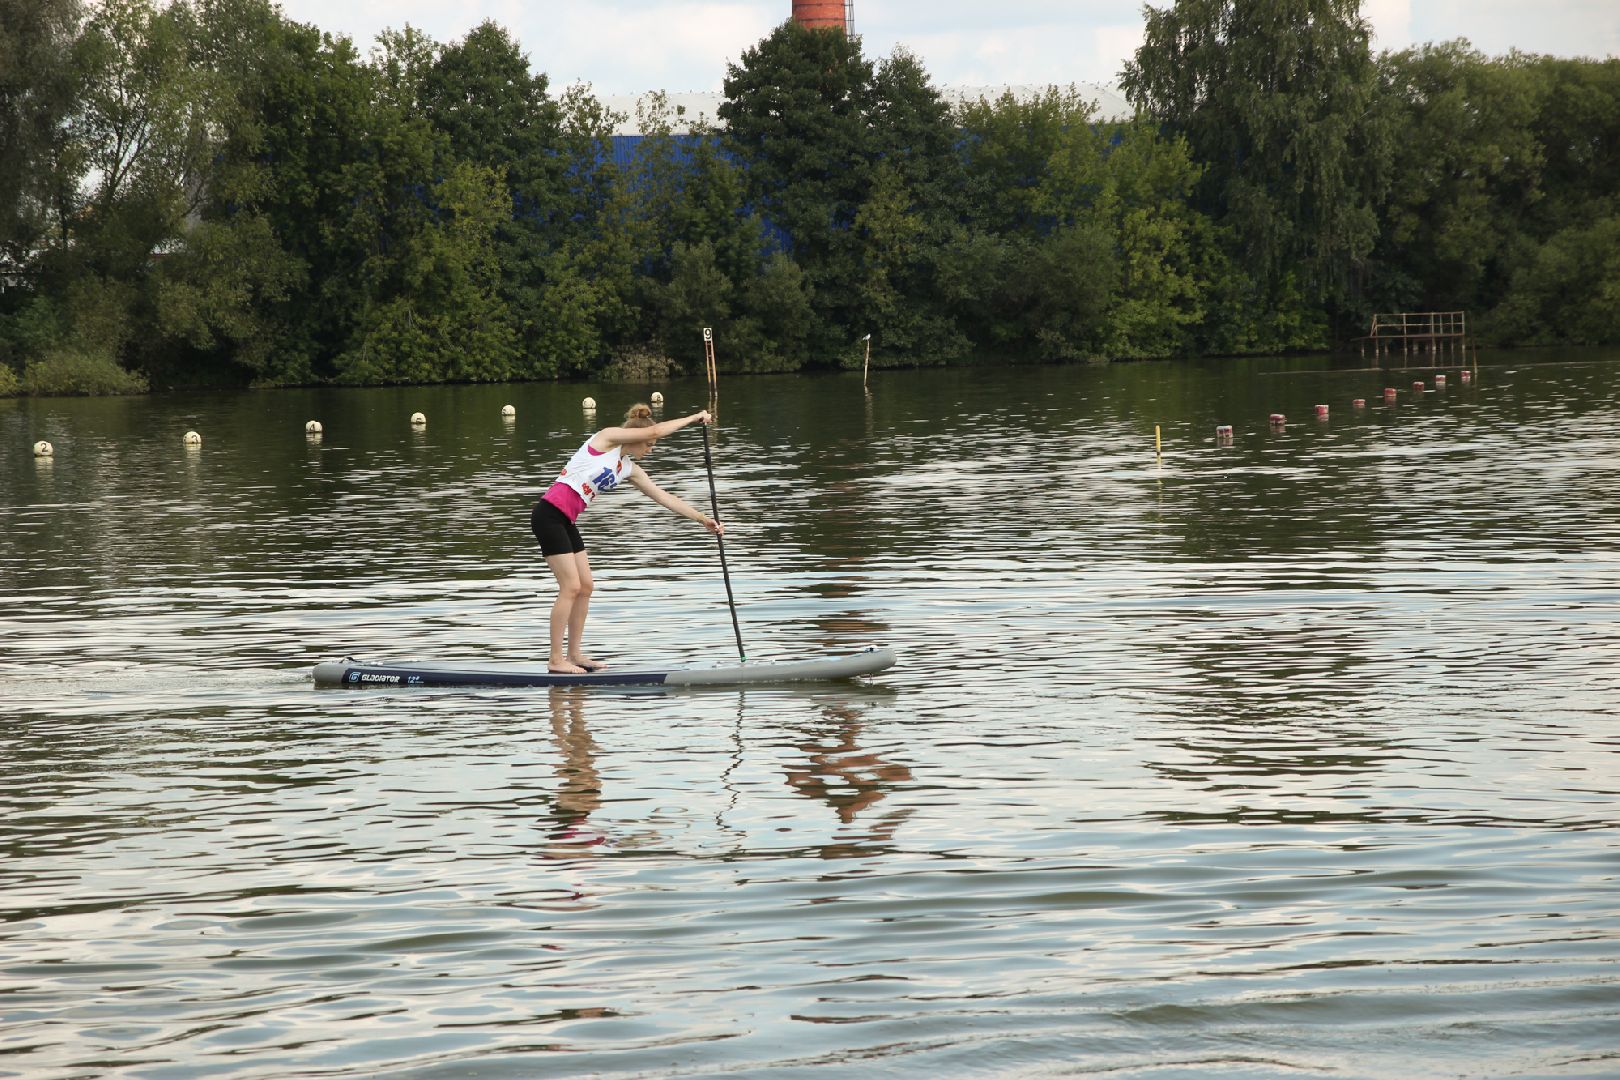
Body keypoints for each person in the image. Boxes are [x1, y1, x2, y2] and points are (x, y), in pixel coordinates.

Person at [531, 404, 722, 673]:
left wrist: (703, 519)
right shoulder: (605, 439)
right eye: (650, 443)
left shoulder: (628, 469)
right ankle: (555, 659)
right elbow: (656, 429)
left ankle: (574, 656)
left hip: (566, 520)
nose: (651, 449)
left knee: (586, 586)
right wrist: (693, 418)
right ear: (636, 437)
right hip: (548, 515)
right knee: (571, 587)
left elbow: (663, 497)